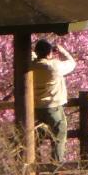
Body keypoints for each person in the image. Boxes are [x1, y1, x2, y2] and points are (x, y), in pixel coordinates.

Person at [30, 39, 76, 168]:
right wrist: (62, 51)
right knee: (59, 136)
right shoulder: (54, 66)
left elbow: (33, 56)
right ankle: (56, 169)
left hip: (36, 107)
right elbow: (72, 63)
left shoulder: (32, 65)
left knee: (35, 138)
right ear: (50, 53)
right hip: (53, 107)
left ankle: (35, 168)